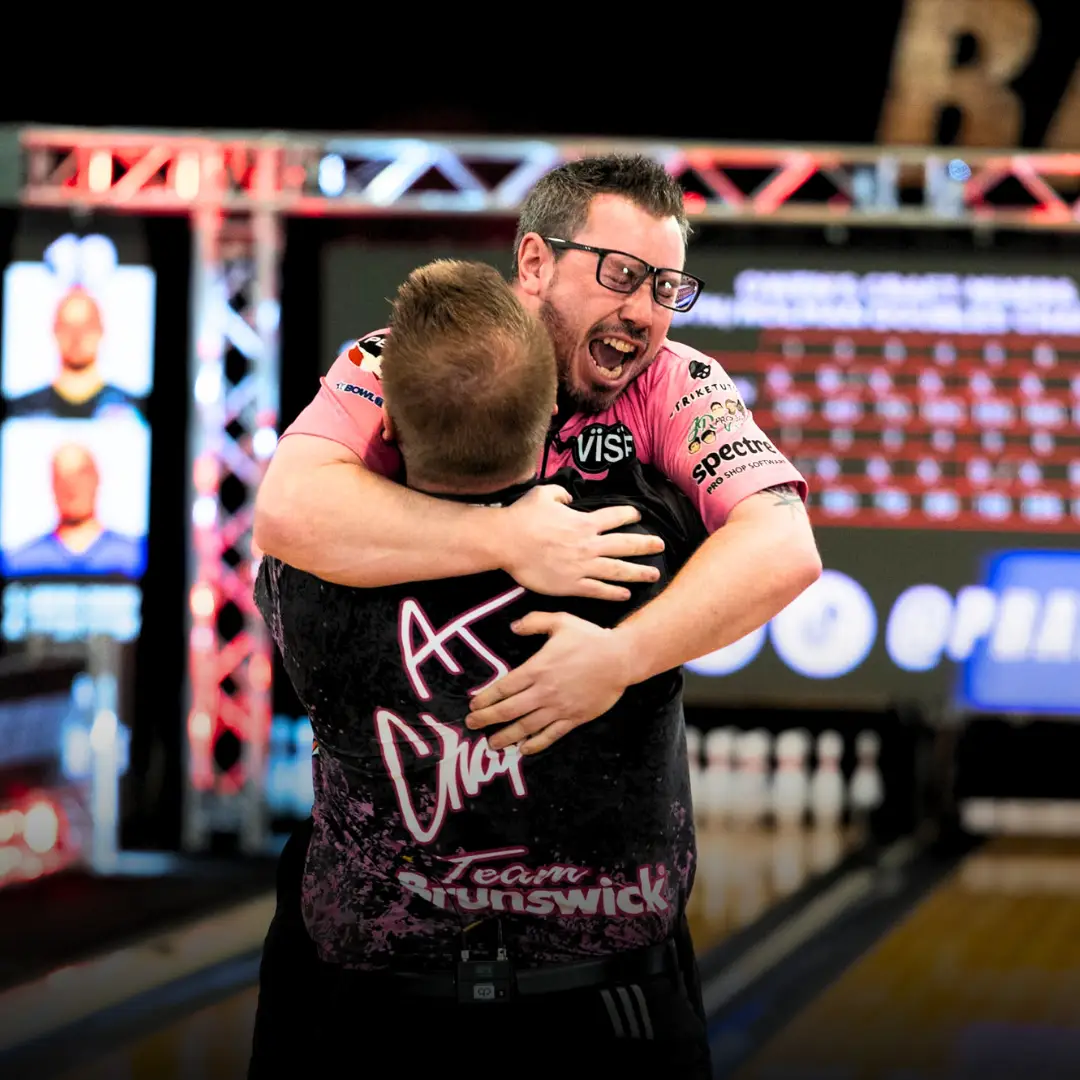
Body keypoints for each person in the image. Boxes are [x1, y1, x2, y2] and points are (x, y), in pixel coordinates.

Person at [251, 261, 712, 1078]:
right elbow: (761, 540)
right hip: (610, 1007)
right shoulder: (645, 549)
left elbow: (300, 504)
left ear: (386, 427)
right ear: (548, 430)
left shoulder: (303, 578)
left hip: (366, 1009)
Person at [254, 152, 820, 756]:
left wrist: (619, 658)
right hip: (409, 757)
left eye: (666, 289)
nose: (645, 313)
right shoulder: (405, 355)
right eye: (622, 275)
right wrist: (507, 538)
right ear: (534, 263)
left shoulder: (675, 382)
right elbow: (287, 510)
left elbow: (785, 546)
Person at [2, 442, 144, 577]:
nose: (71, 485)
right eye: (62, 477)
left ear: (97, 478)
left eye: (81, 474)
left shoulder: (136, 555)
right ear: (52, 484)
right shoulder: (17, 563)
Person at [7, 286, 141, 419]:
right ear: (55, 331)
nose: (77, 336)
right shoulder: (25, 412)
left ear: (101, 330)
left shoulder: (130, 411)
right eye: (68, 326)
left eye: (86, 325)